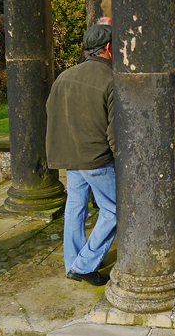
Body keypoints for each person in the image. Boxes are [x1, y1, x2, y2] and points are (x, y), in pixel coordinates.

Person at [46, 24, 116, 286]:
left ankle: (72, 263)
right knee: (115, 210)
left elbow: (50, 112)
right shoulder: (111, 79)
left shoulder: (64, 76)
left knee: (75, 208)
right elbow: (115, 131)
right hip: (95, 157)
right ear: (108, 48)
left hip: (69, 155)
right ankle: (84, 266)